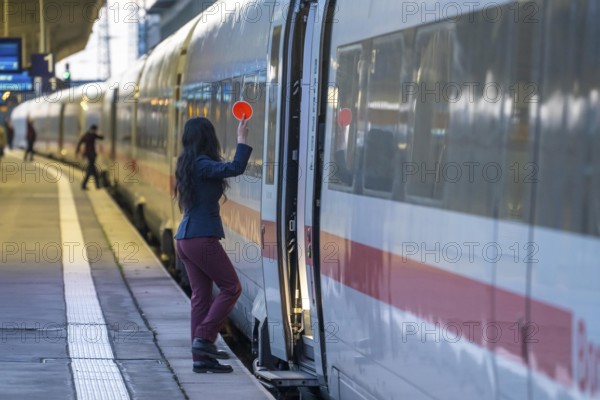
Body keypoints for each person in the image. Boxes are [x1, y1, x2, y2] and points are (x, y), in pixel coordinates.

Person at [174, 115, 251, 374]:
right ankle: (204, 338)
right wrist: (242, 140)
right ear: (209, 138)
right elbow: (234, 168)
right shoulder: (202, 164)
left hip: (186, 239)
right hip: (201, 239)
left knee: (201, 297)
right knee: (231, 287)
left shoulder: (186, 162)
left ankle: (201, 358)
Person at [76, 124, 104, 190]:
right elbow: (101, 137)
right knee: (91, 170)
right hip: (91, 155)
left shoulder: (86, 135)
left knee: (93, 170)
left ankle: (96, 185)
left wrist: (77, 151)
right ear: (94, 130)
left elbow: (80, 142)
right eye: (96, 130)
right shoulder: (93, 135)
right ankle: (85, 185)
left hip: (88, 154)